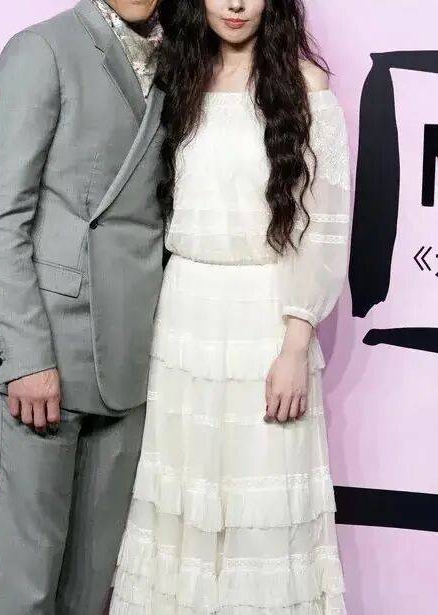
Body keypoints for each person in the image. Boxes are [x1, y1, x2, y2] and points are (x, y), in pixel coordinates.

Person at [109, 0, 350, 613]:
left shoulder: (305, 85)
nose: (236, 5)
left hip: (264, 314)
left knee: (260, 498)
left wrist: (296, 341)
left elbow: (323, 223)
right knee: (182, 494)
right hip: (183, 313)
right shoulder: (176, 77)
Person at [0, 1, 165, 613]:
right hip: (49, 351)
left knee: (91, 589)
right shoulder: (42, 49)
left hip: (132, 359)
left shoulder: (181, 56)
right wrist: (25, 357)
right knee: (24, 586)